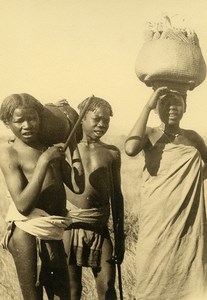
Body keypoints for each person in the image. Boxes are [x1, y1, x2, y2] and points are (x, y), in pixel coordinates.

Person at [125, 87, 207, 300]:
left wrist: (189, 184)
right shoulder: (149, 133)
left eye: (177, 103)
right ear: (157, 108)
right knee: (152, 265)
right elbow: (130, 149)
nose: (172, 108)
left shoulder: (192, 137)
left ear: (185, 107)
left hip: (187, 213)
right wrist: (147, 105)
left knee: (187, 263)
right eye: (164, 103)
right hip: (157, 212)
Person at [0, 93, 72, 300]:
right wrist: (44, 161)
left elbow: (78, 186)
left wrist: (71, 145)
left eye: (32, 118)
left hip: (52, 230)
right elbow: (23, 205)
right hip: (26, 232)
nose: (27, 125)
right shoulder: (9, 152)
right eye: (19, 120)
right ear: (7, 123)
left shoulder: (47, 148)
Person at [61, 96, 125, 300]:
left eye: (106, 120)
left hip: (99, 227)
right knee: (72, 290)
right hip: (70, 227)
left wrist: (120, 238)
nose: (102, 124)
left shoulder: (111, 153)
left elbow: (117, 196)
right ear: (81, 119)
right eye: (96, 119)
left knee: (107, 286)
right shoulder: (66, 151)